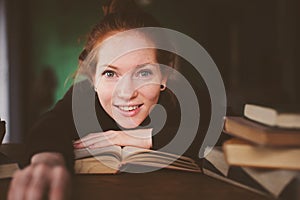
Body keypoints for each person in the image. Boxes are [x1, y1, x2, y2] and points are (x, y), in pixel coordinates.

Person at [7, 1, 185, 199]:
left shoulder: (181, 98)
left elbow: (220, 131)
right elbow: (51, 125)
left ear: (164, 75)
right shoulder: (83, 96)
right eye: (110, 73)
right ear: (93, 77)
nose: (126, 93)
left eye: (143, 73)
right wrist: (47, 159)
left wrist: (140, 137)